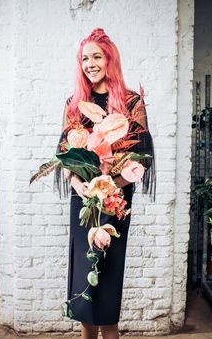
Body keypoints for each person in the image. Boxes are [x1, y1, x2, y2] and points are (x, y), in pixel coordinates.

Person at [54, 28, 155, 339]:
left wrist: (112, 186)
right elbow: (64, 157)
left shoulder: (130, 102)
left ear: (110, 60)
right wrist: (79, 185)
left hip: (115, 202)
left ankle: (110, 330)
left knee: (107, 279)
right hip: (83, 201)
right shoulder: (75, 103)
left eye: (97, 56)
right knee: (85, 277)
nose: (90, 63)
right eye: (85, 58)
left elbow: (143, 156)